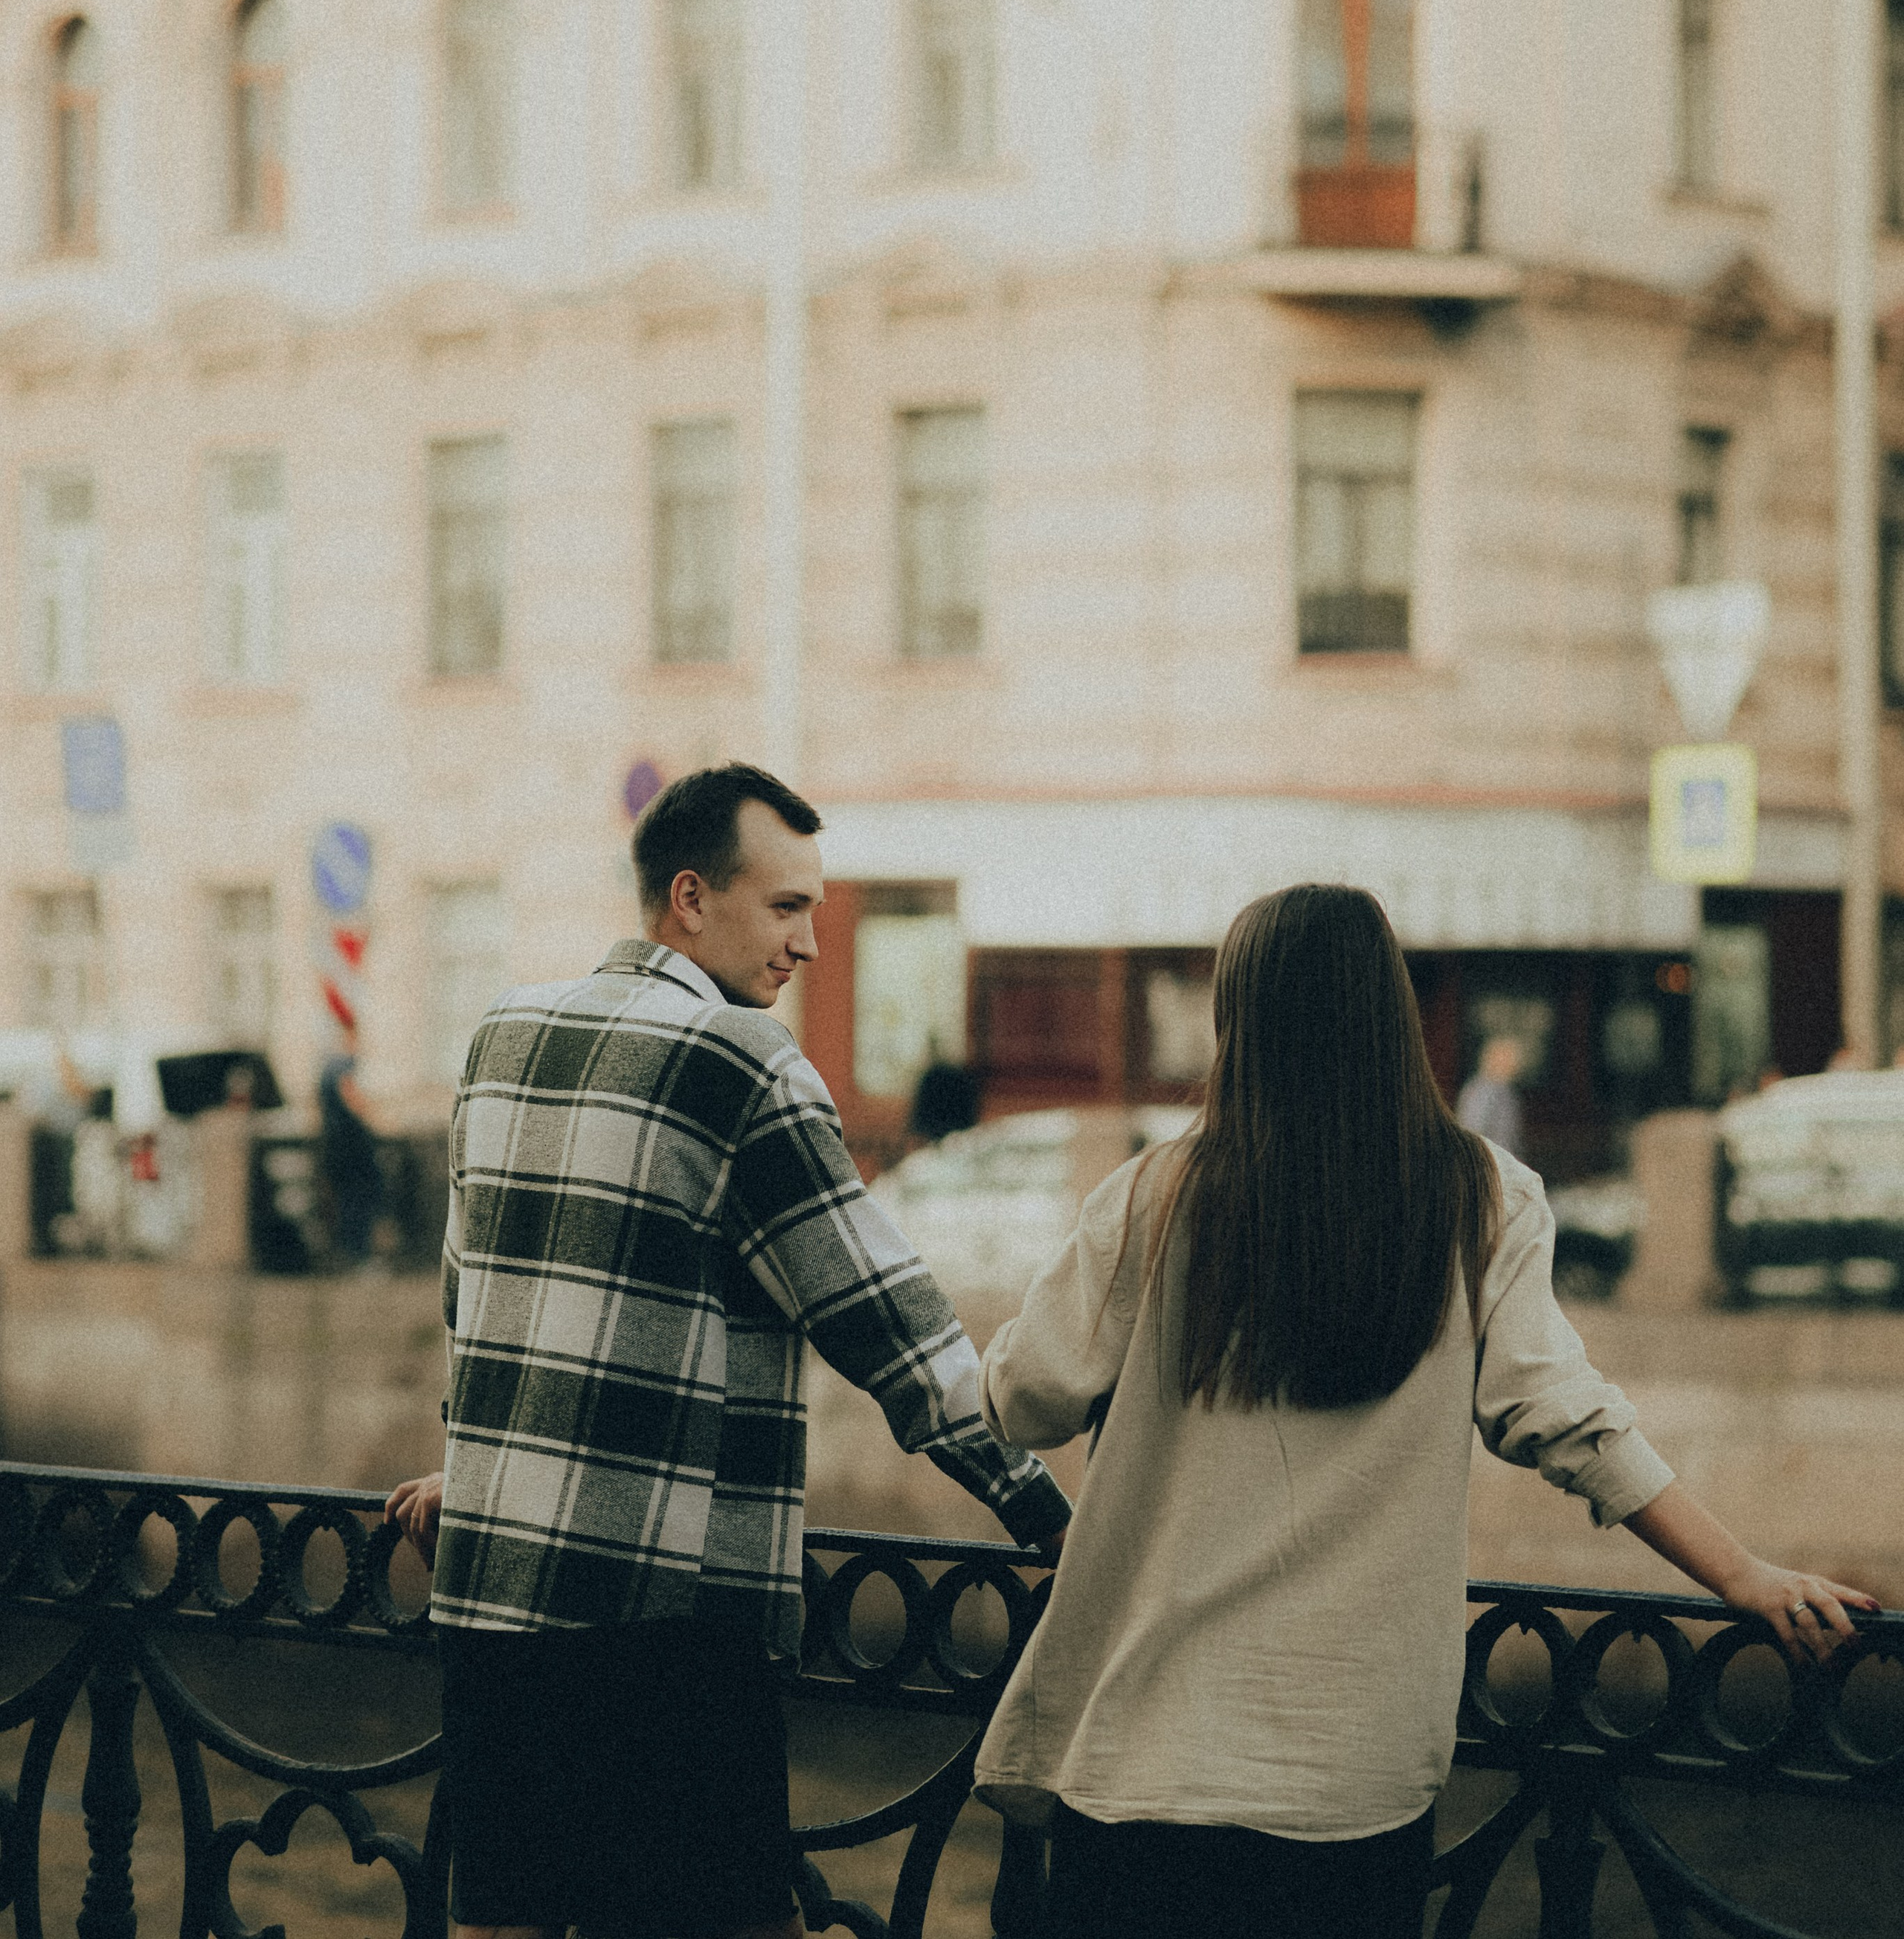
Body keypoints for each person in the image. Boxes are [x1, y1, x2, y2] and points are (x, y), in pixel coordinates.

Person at [972, 885, 1876, 1939]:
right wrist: (1742, 1574)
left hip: (1147, 1760)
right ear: (1390, 1012)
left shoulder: (1152, 1195)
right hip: (1355, 1781)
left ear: (1237, 1020)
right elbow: (1574, 1422)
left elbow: (1022, 1399)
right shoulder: (1482, 1196)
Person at [386, 762, 1067, 1939]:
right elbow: (895, 1330)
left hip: (498, 1610)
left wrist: (485, 1471)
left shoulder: (503, 1032)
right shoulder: (742, 1060)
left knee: (505, 1923)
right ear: (691, 898)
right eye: (786, 905)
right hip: (664, 1632)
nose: (809, 941)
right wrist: (1050, 1515)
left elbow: (476, 1294)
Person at [316, 985, 384, 1267]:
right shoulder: (343, 1065)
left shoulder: (325, 1067)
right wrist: (378, 1121)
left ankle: (347, 1253)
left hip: (334, 1144)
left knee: (344, 1199)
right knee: (358, 1198)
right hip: (351, 1145)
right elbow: (354, 1100)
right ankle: (358, 1256)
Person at [1456, 1029, 1526, 1160]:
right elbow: (1474, 1133)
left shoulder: (1506, 1091)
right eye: (1510, 1058)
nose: (1516, 1065)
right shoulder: (1482, 1091)